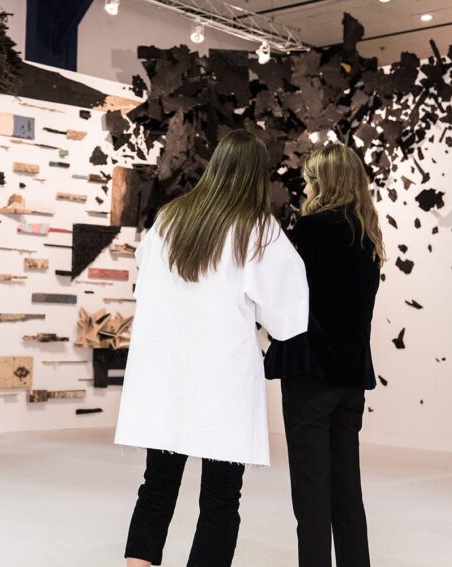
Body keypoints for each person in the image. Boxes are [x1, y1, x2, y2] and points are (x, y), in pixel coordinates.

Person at [115, 129, 310, 567]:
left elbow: (143, 282)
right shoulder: (258, 230)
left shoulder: (169, 219)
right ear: (256, 176)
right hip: (223, 379)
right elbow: (289, 317)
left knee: (157, 485)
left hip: (166, 373)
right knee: (221, 496)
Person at [265, 143, 385, 567]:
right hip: (350, 382)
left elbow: (282, 299)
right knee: (346, 494)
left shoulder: (311, 231)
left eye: (311, 177)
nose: (305, 185)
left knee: (311, 498)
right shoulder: (367, 236)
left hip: (310, 376)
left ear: (323, 182)